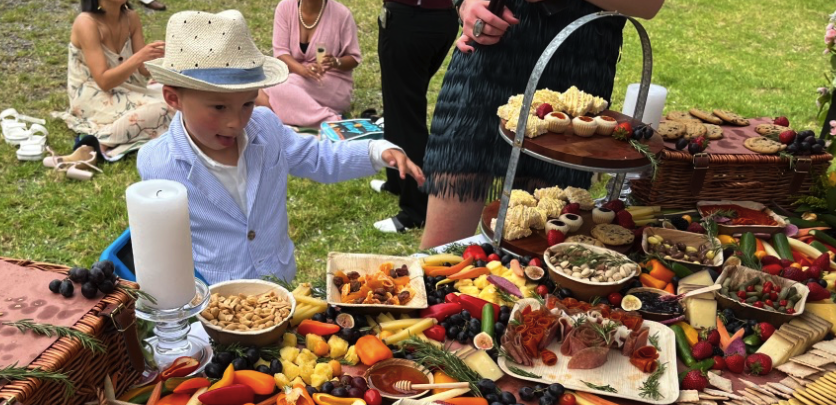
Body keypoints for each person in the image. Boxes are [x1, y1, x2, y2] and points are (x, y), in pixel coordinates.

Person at [137, 10, 424, 285]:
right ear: (173, 99)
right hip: (216, 295)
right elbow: (163, 245)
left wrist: (375, 151)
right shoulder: (157, 163)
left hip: (277, 281)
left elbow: (318, 157)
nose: (235, 122)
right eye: (219, 107)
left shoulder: (266, 128)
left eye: (248, 103)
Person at [418, 0, 665, 249]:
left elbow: (649, 5)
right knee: (439, 251)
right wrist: (465, 5)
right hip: (487, 58)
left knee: (539, 241)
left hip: (576, 68)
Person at [371, 0, 458, 234]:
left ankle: (416, 211)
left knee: (406, 113)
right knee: (397, 104)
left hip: (413, 18)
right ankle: (398, 180)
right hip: (436, 18)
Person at [52, 0, 174, 161]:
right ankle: (99, 141)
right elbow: (104, 82)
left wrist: (162, 58)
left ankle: (118, 139)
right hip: (95, 97)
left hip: (129, 88)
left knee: (182, 98)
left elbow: (143, 70)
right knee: (166, 109)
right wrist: (140, 56)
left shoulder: (131, 17)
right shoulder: (86, 23)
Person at [257, 0, 362, 128]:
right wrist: (303, 70)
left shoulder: (342, 14)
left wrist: (336, 62)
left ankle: (331, 122)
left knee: (277, 87)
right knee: (258, 94)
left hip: (330, 80)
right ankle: (289, 125)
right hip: (294, 77)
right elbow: (281, 53)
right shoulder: (285, 7)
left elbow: (353, 58)